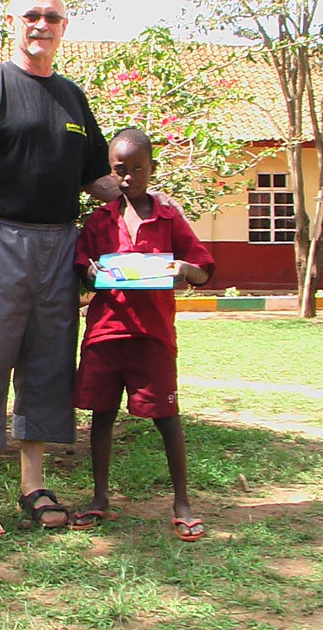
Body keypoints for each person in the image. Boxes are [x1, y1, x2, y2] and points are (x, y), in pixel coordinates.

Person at [0, 0, 122, 541]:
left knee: (47, 364)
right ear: (11, 21)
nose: (42, 25)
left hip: (59, 245)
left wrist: (143, 200)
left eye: (52, 17)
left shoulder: (72, 97)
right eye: (31, 15)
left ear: (65, 27)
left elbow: (96, 176)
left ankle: (33, 484)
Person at [70, 127, 215, 541]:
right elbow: (82, 266)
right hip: (106, 332)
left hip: (152, 335)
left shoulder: (169, 218)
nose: (130, 176)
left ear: (152, 168)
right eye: (121, 169)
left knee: (166, 418)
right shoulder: (99, 220)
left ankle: (182, 502)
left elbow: (203, 267)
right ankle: (99, 497)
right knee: (102, 417)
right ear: (110, 173)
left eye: (138, 167)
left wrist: (185, 270)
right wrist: (92, 272)